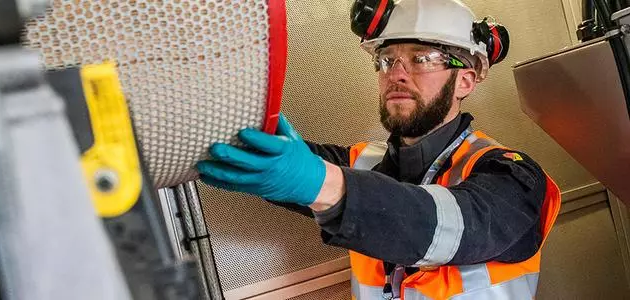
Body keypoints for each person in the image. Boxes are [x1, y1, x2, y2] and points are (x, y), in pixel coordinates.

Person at [196, 0, 561, 299]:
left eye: (422, 59)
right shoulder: (363, 164)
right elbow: (273, 158)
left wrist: (322, 184)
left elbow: (453, 226)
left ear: (464, 81)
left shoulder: (511, 176)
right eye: (387, 59)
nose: (397, 73)